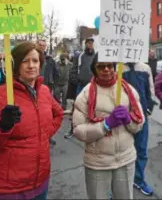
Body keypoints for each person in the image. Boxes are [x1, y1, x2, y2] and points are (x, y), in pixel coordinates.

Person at [0, 42, 64, 199]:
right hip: (7, 190)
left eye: (35, 61)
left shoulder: (44, 92)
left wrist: (42, 134)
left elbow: (58, 114)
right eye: (25, 61)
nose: (31, 66)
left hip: (40, 184)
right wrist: (2, 127)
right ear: (15, 64)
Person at [72, 53, 144, 199]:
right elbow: (79, 131)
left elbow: (139, 124)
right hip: (98, 163)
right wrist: (105, 125)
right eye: (101, 66)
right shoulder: (85, 95)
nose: (106, 69)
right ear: (94, 69)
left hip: (125, 159)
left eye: (109, 65)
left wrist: (128, 120)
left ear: (115, 67)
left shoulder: (128, 90)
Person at [122, 61, 155, 196]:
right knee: (120, 150)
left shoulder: (145, 68)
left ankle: (138, 179)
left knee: (141, 149)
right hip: (122, 116)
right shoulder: (117, 67)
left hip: (141, 116)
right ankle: (116, 184)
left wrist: (148, 108)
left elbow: (150, 90)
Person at [65, 39, 96, 139]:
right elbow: (73, 70)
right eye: (88, 43)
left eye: (92, 43)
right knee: (78, 107)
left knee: (94, 107)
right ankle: (72, 129)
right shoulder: (79, 56)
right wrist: (77, 80)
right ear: (86, 44)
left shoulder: (97, 56)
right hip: (81, 86)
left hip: (93, 86)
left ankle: (90, 130)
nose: (90, 45)